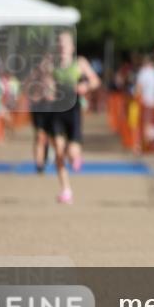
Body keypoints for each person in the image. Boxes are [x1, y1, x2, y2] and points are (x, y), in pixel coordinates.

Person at [48, 31, 101, 204]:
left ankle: (75, 156)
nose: (62, 47)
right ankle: (66, 190)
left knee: (71, 151)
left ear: (72, 47)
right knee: (57, 149)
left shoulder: (80, 63)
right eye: (59, 44)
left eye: (65, 44)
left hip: (73, 112)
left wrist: (85, 85)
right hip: (56, 111)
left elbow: (96, 81)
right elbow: (43, 84)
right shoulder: (51, 64)